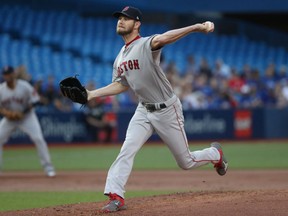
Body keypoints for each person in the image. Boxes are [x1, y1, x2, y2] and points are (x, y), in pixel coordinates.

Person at [86, 6, 228, 212]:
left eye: (126, 18)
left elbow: (163, 38)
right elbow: (121, 84)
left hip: (166, 109)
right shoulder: (120, 57)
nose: (121, 21)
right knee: (127, 149)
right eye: (119, 18)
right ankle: (116, 196)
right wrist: (92, 94)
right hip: (143, 110)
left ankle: (215, 154)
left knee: (185, 162)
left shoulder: (145, 44)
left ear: (137, 24)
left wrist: (196, 27)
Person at [0, 66, 56, 177]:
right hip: (10, 119)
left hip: (27, 117)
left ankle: (48, 167)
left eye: (9, 73)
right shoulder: (1, 89)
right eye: (5, 74)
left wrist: (23, 112)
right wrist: (7, 113)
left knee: (38, 138)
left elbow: (35, 101)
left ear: (13, 74)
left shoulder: (24, 86)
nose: (8, 76)